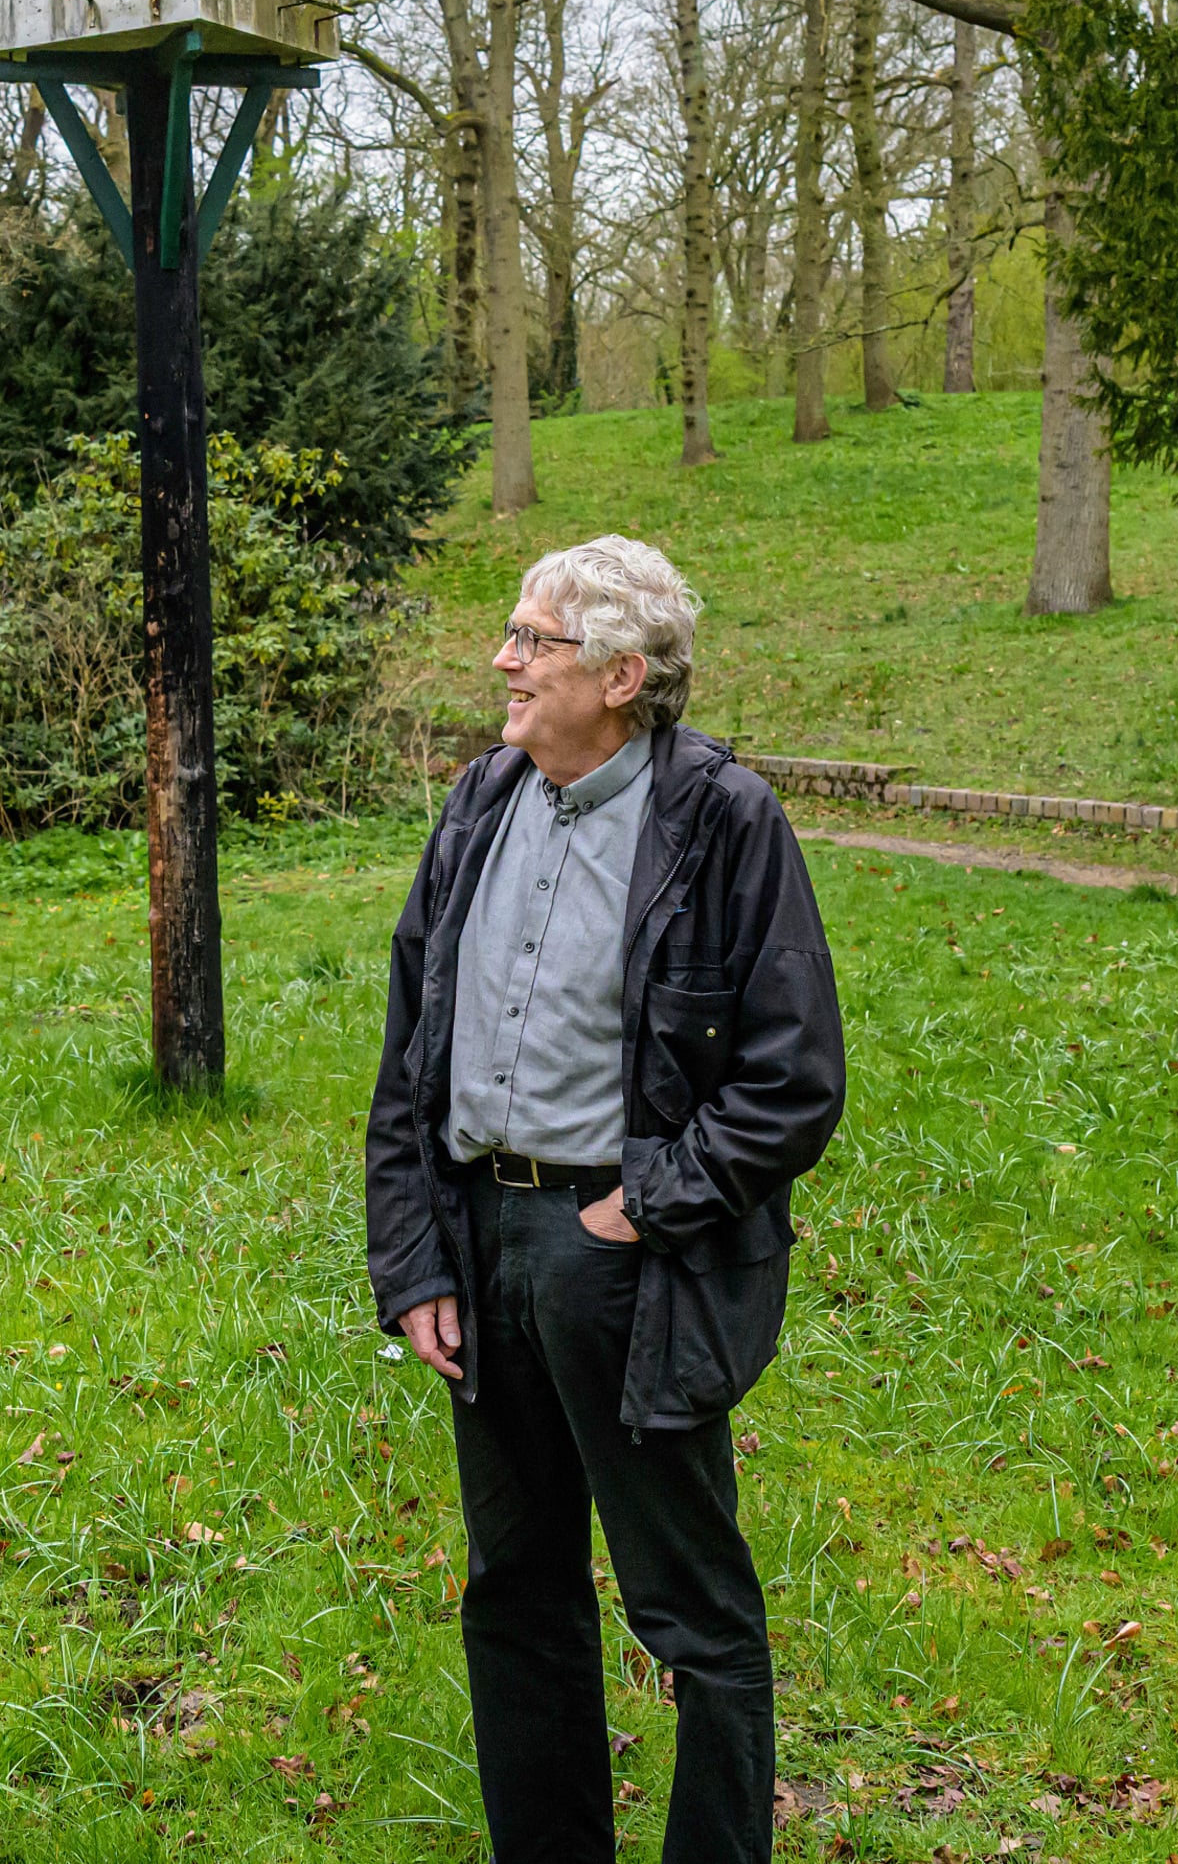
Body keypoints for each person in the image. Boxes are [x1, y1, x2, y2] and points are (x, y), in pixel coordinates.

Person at [361, 534, 845, 1864]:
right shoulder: (479, 801)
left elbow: (793, 1083)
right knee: (516, 1589)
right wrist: (414, 1262)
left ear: (624, 674)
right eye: (511, 635)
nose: (502, 662)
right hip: (481, 1237)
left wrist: (642, 1208)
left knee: (691, 1610)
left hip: (626, 1252)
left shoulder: (721, 821)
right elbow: (413, 1046)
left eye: (533, 640)